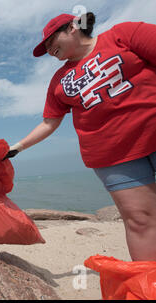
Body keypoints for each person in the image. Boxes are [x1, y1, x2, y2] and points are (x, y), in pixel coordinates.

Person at [8, 13, 156, 261]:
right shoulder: (59, 81)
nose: (48, 49)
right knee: (140, 221)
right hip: (113, 158)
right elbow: (49, 122)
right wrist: (17, 148)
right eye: (45, 47)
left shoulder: (123, 34)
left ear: (73, 27)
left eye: (50, 40)